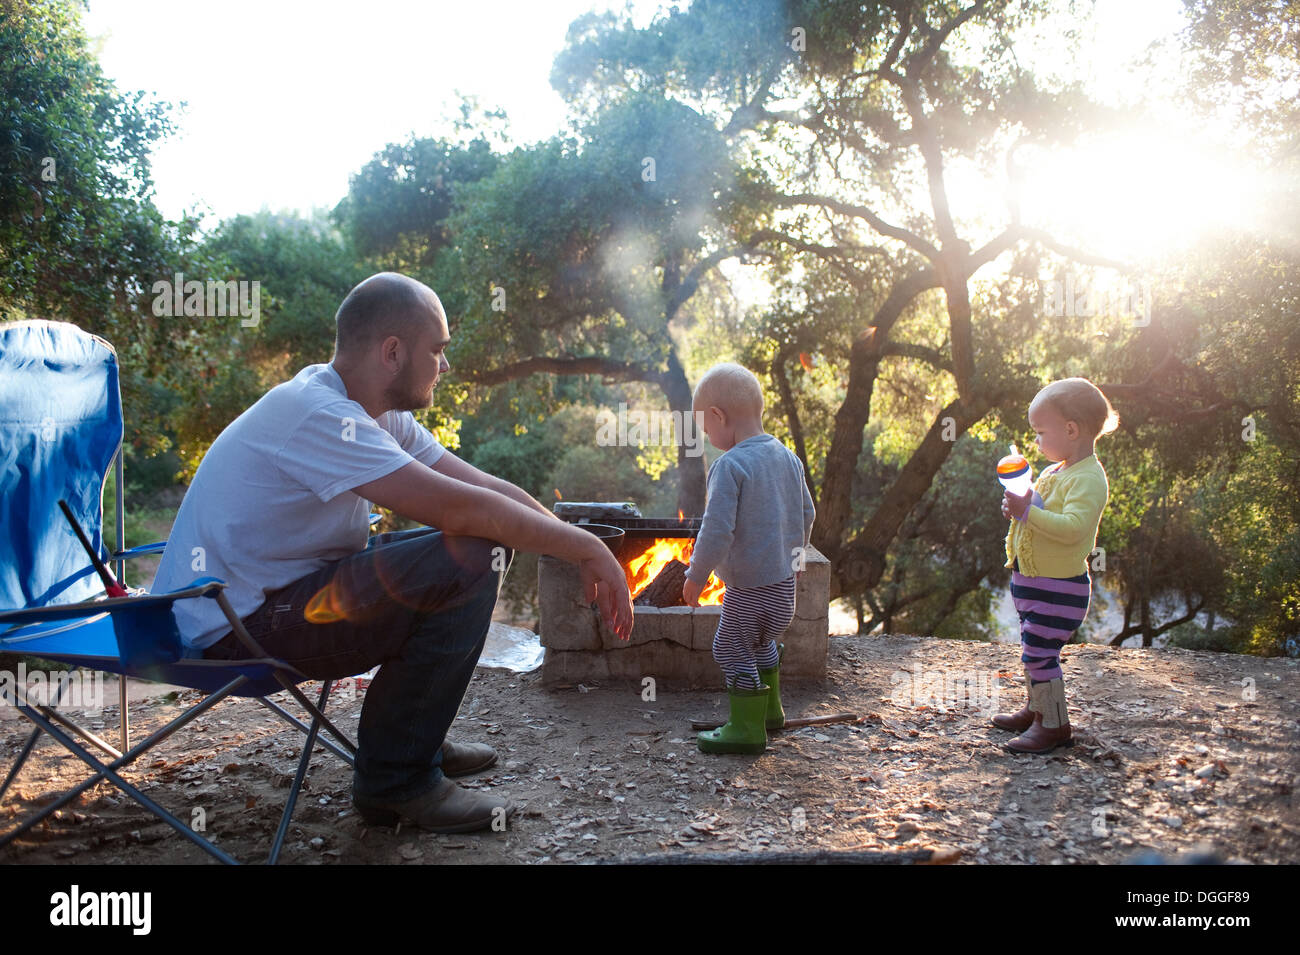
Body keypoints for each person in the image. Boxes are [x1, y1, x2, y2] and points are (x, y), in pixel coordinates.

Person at [152, 272, 633, 832]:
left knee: (474, 548)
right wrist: (585, 549)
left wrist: (580, 544)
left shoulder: (374, 414)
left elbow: (485, 490)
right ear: (393, 352)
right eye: (438, 350)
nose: (444, 366)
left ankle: (408, 738)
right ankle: (397, 780)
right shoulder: (319, 415)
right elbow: (465, 513)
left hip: (277, 601)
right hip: (228, 632)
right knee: (469, 559)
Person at [681, 362, 816, 755]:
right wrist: (796, 559)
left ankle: (745, 728)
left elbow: (716, 530)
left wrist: (696, 575)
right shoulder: (788, 458)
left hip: (748, 592)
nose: (709, 439)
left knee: (728, 648)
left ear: (719, 416)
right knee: (759, 643)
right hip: (783, 592)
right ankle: (770, 712)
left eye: (707, 431)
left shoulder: (731, 466)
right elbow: (807, 514)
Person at [994, 377, 1117, 754]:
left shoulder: (1089, 479)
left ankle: (1055, 725)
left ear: (1071, 429)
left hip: (1059, 587)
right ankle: (1037, 710)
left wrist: (1028, 512)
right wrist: (1020, 506)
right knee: (1033, 647)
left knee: (1039, 653)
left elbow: (1073, 529)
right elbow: (1040, 513)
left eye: (1040, 432)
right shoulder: (1054, 472)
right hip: (1033, 583)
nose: (1036, 442)